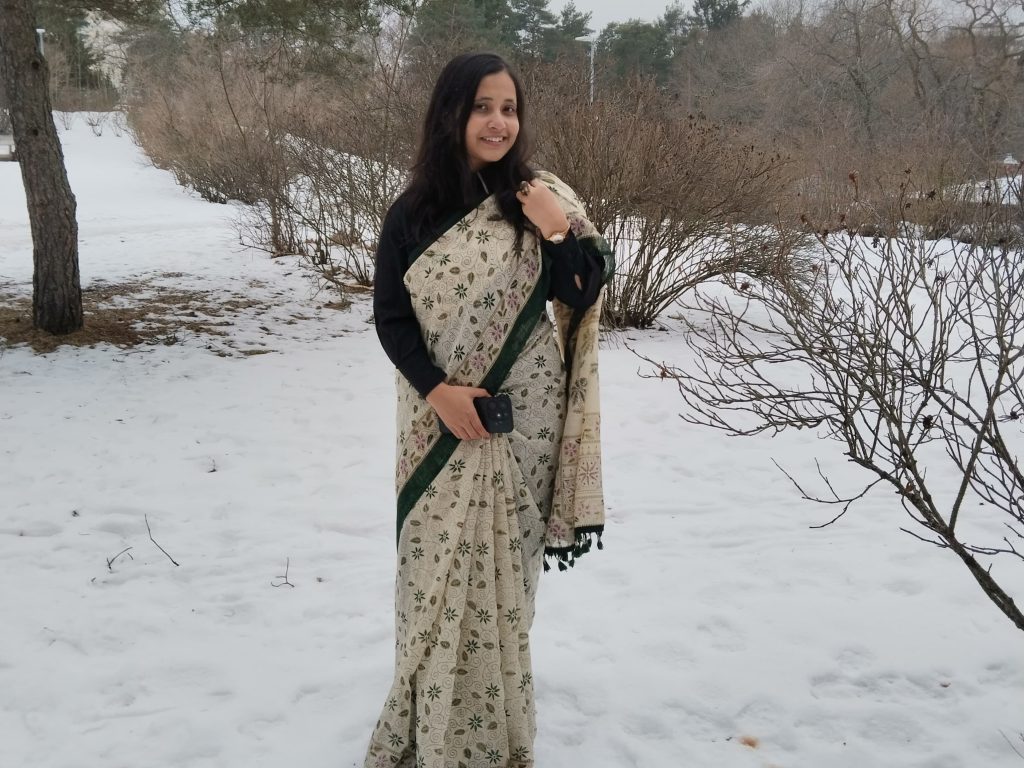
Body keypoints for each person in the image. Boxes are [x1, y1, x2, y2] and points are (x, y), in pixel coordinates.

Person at [365, 51, 613, 768]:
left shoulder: (542, 198)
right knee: (433, 575)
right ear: (450, 114)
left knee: (508, 582)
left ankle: (495, 731)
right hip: (438, 426)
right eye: (482, 106)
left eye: (509, 108)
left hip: (525, 431)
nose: (499, 121)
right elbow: (393, 320)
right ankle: (426, 720)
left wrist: (556, 229)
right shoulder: (412, 214)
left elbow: (582, 294)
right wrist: (438, 393)